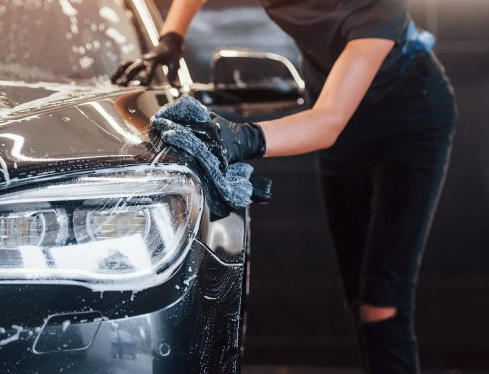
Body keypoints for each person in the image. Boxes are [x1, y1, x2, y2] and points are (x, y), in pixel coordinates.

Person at [112, 0, 458, 372]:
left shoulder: (378, 6)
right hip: (346, 135)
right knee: (360, 297)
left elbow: (328, 122)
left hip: (410, 126)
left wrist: (243, 139)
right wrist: (171, 40)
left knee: (382, 304)